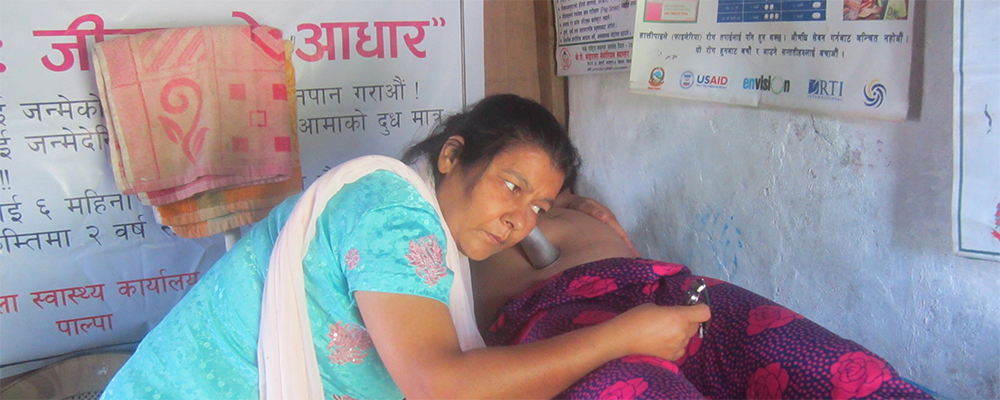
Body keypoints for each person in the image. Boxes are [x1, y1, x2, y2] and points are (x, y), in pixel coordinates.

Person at [100, 94, 710, 400]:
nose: (519, 222)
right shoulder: (395, 216)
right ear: (451, 157)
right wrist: (625, 335)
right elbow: (439, 384)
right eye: (511, 185)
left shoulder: (413, 221)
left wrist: (562, 206)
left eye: (539, 209)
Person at [473, 206, 936, 399]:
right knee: (630, 384)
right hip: (554, 320)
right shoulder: (430, 236)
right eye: (511, 182)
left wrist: (569, 200)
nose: (526, 204)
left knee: (823, 365)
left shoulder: (566, 200)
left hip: (657, 288)